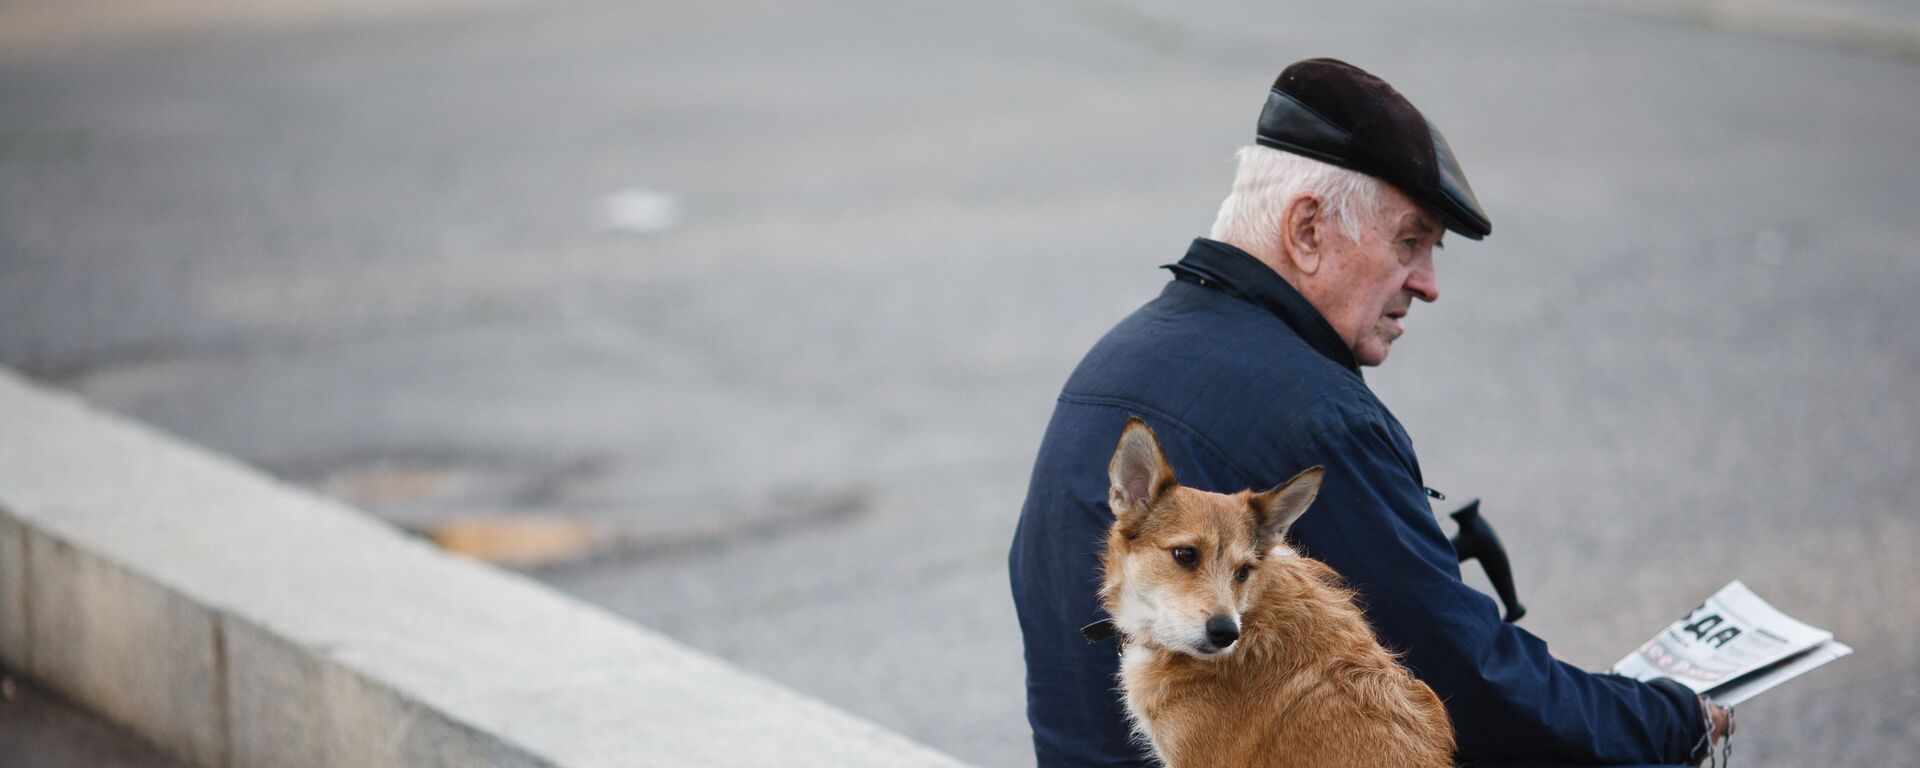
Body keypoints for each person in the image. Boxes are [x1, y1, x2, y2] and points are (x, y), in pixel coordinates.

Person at [1006, 58, 1732, 767]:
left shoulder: (1111, 363)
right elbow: (1471, 686)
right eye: (1410, 241)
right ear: (1309, 231)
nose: (1429, 284)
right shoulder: (1317, 416)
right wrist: (1669, 722)